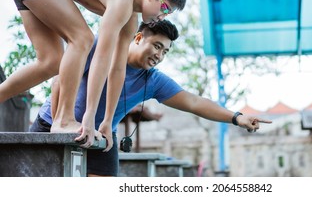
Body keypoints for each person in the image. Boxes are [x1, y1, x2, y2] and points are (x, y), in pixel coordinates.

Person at [30, 20, 272, 177]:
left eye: (165, 51)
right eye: (156, 46)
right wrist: (59, 123)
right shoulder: (98, 48)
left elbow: (193, 102)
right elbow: (60, 79)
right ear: (137, 38)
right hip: (52, 124)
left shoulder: (153, 80)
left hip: (102, 137)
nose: (159, 55)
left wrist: (236, 117)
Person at [1, 0, 186, 147]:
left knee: (51, 62)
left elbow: (116, 69)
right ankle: (64, 119)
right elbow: (101, 58)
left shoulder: (130, 18)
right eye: (165, 8)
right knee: (82, 39)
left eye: (169, 13)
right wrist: (89, 116)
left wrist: (106, 121)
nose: (163, 16)